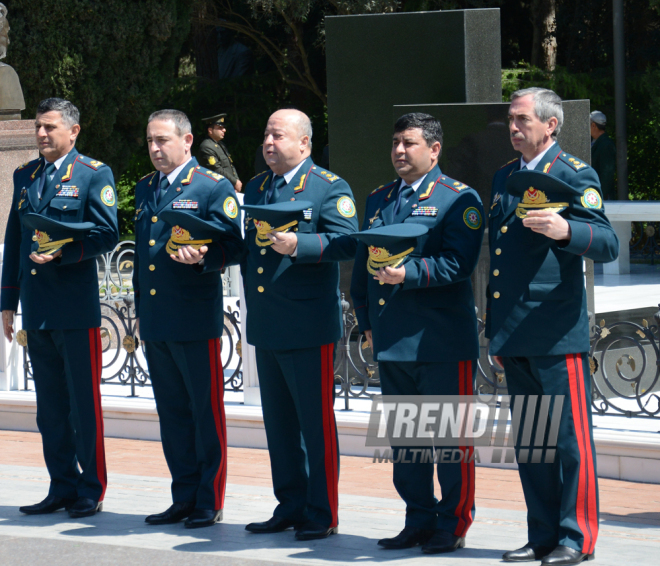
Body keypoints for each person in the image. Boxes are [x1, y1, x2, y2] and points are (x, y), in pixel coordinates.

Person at [486, 88, 619, 565]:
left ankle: (576, 537)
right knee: (533, 443)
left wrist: (567, 231)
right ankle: (541, 533)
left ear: (551, 125)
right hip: (515, 331)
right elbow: (500, 258)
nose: (514, 127)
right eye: (511, 119)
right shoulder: (505, 176)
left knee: (568, 442)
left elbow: (605, 243)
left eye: (522, 119)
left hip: (556, 330)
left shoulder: (573, 174)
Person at [350, 112, 484, 555]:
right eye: (395, 144)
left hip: (440, 341)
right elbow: (364, 266)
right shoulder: (379, 198)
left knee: (449, 443)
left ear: (434, 149)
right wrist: (365, 322)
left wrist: (408, 272)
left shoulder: (457, 199)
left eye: (409, 144)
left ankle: (453, 522)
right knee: (406, 445)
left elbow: (458, 264)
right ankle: (418, 519)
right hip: (393, 342)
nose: (400, 152)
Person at [241, 108, 358, 540]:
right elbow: (246, 248)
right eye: (266, 135)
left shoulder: (328, 188)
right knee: (280, 425)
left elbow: (348, 241)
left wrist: (301, 245)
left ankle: (322, 512)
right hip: (268, 323)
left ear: (305, 143)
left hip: (308, 326)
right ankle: (289, 503)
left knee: (315, 423)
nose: (269, 143)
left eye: (278, 135)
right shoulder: (256, 186)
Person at [1, 97, 118, 518]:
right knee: (49, 408)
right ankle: (61, 485)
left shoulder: (92, 174)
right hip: (38, 308)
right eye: (38, 126)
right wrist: (8, 301)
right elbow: (15, 240)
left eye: (50, 127)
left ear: (74, 131)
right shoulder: (25, 175)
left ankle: (91, 488)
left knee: (83, 406)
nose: (41, 134)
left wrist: (64, 254)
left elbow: (106, 234)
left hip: (75, 308)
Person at [133, 109, 244, 528]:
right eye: (150, 141)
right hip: (158, 319)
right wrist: (142, 309)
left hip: (195, 318)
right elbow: (145, 257)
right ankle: (182, 495)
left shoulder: (211, 186)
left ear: (187, 141)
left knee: (204, 413)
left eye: (163, 140)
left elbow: (234, 247)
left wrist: (204, 259)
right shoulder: (146, 188)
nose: (156, 149)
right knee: (172, 413)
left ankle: (208, 500)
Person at [198, 113, 242, 192]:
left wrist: (236, 181)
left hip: (228, 187)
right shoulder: (206, 146)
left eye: (224, 127)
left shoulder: (220, 144)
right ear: (210, 130)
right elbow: (216, 169)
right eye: (220, 128)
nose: (224, 130)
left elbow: (230, 166)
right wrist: (235, 182)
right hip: (216, 189)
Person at [589, 111, 616, 201]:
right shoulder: (595, 142)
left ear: (593, 125)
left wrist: (600, 195)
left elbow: (607, 173)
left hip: (599, 197)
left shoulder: (606, 145)